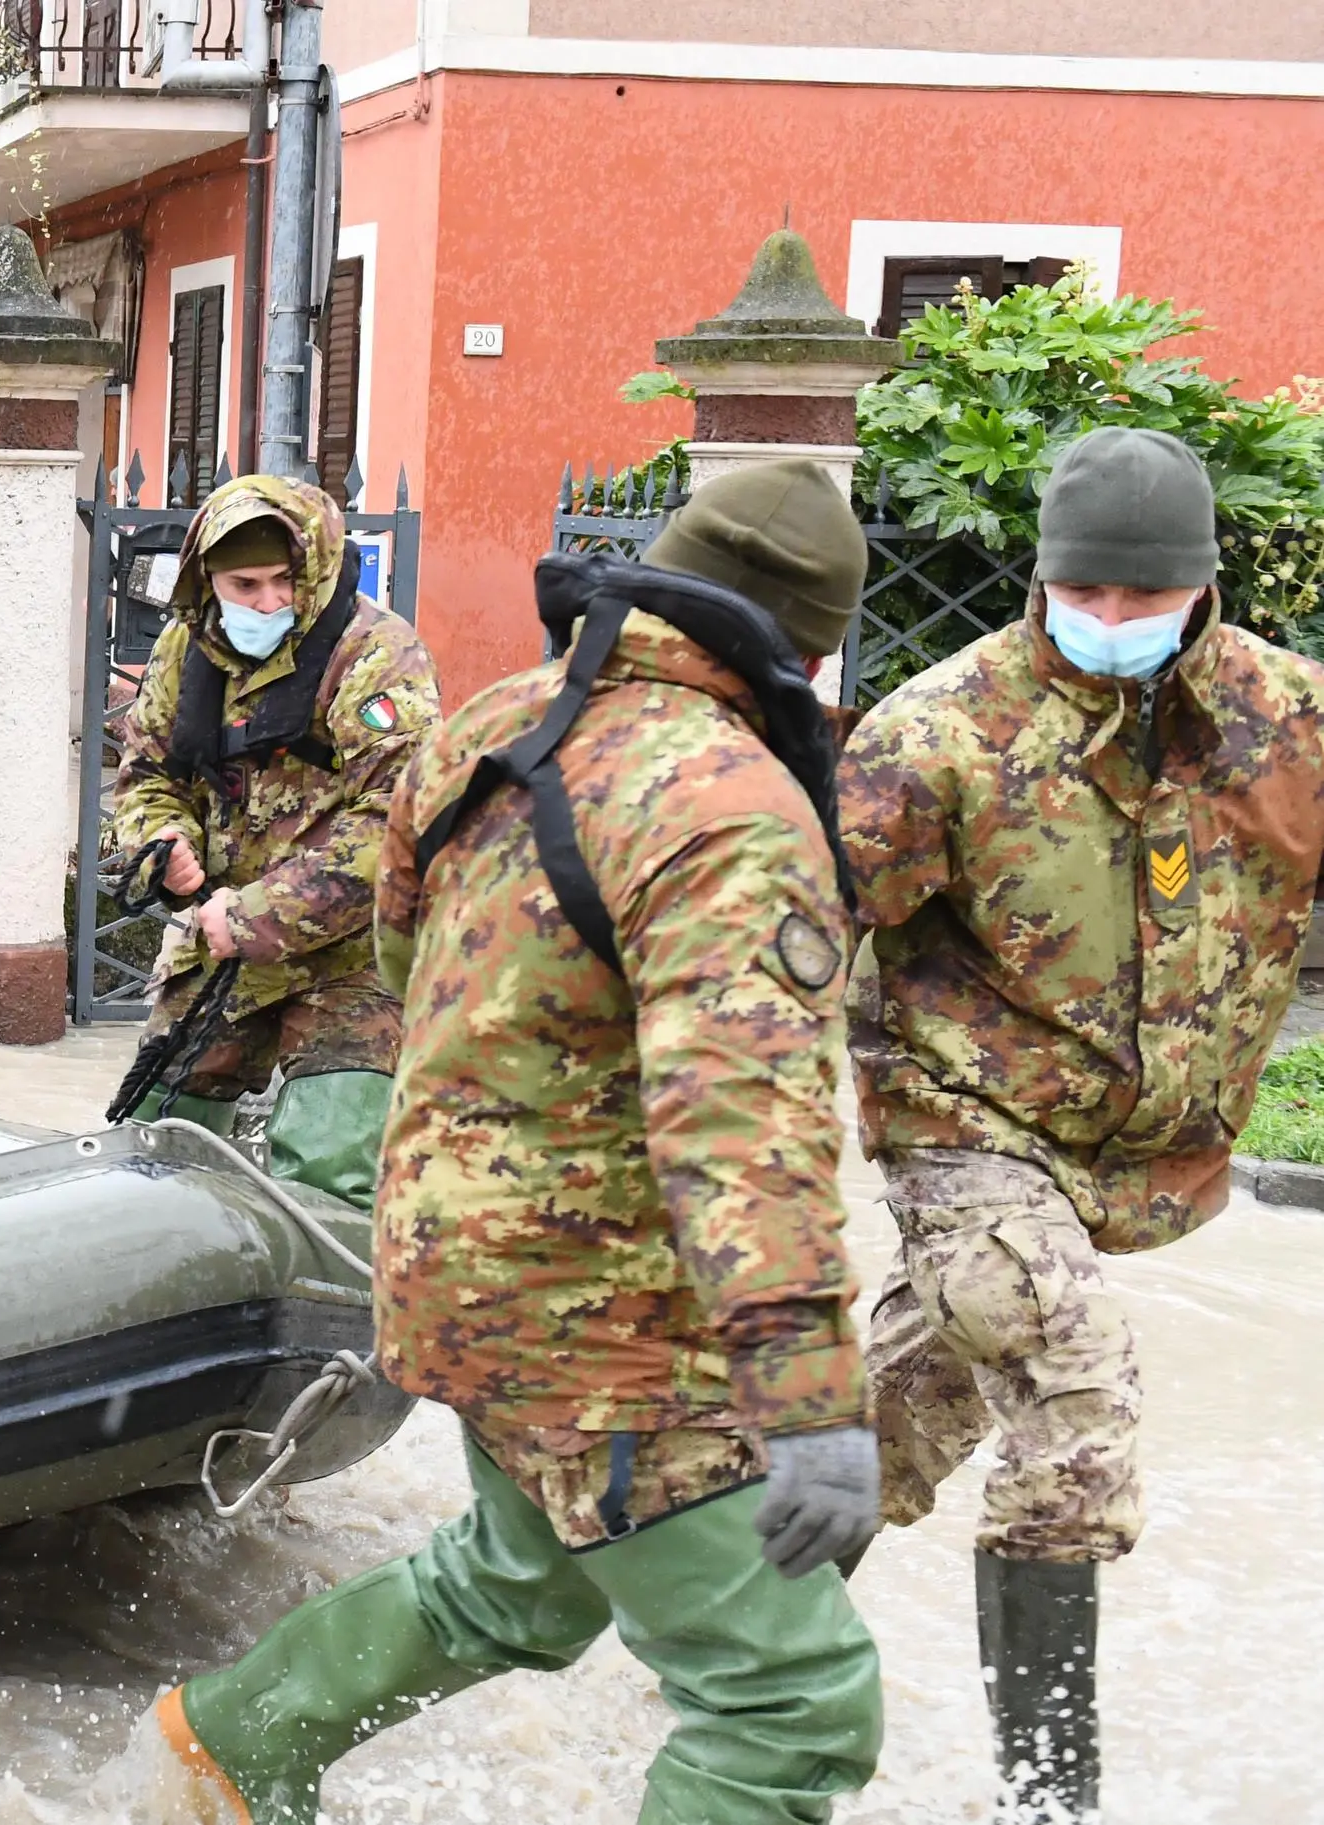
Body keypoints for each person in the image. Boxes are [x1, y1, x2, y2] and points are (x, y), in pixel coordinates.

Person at [148, 462, 887, 1824]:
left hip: (445, 1259)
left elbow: (399, 947)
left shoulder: (493, 720)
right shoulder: (732, 806)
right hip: (605, 1320)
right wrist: (809, 1402)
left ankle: (233, 1737)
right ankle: (231, 1742)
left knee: (520, 1585)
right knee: (785, 1706)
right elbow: (744, 1130)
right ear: (809, 642)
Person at [838, 426, 1324, 1816]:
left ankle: (726, 1634)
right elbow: (784, 928)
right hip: (960, 1125)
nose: (1108, 621)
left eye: (1142, 597)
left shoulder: (1283, 720)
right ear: (1040, 577)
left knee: (895, 1417)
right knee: (1074, 1401)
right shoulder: (940, 734)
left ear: (1202, 585)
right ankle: (1047, 1800)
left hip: (1122, 1155)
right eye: (1083, 594)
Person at [104, 473, 438, 1204]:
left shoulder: (378, 654)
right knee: (157, 1155)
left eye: (283, 582)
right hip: (215, 941)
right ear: (207, 581)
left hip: (351, 954)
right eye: (243, 584)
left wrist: (258, 915)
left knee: (327, 1174)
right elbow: (145, 772)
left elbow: (398, 821)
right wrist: (161, 841)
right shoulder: (184, 649)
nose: (266, 603)